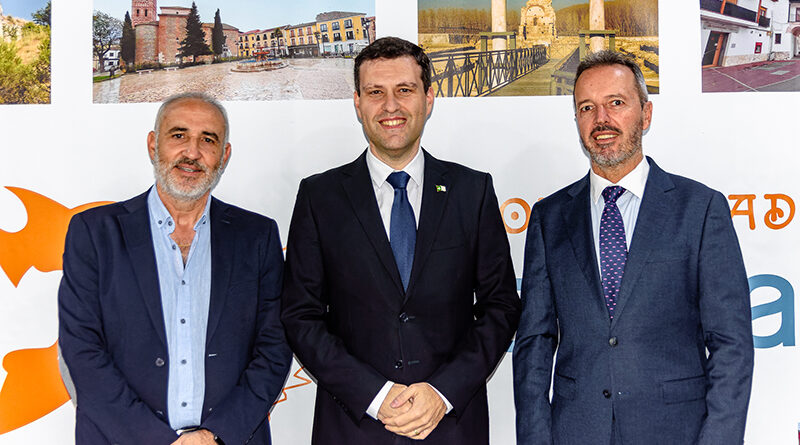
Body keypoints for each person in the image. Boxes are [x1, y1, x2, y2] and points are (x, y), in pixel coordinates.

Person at [280, 37, 521, 444]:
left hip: (451, 428)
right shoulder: (319, 198)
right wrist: (374, 396)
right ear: (357, 103)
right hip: (353, 427)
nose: (390, 106)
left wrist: (443, 392)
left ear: (429, 97)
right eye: (376, 93)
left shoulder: (472, 192)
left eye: (404, 90)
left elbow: (500, 306)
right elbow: (300, 316)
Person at [513, 50, 754, 445]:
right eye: (587, 107)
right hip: (577, 432)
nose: (601, 119)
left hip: (676, 432)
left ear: (646, 114)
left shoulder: (700, 209)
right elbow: (534, 347)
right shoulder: (549, 218)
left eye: (616, 103)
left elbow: (732, 345)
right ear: (576, 120)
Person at [58, 92, 292, 445]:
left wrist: (215, 435)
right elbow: (81, 350)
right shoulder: (94, 233)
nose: (192, 152)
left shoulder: (257, 237)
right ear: (154, 145)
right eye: (178, 135)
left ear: (224, 156)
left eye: (208, 140)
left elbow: (274, 348)